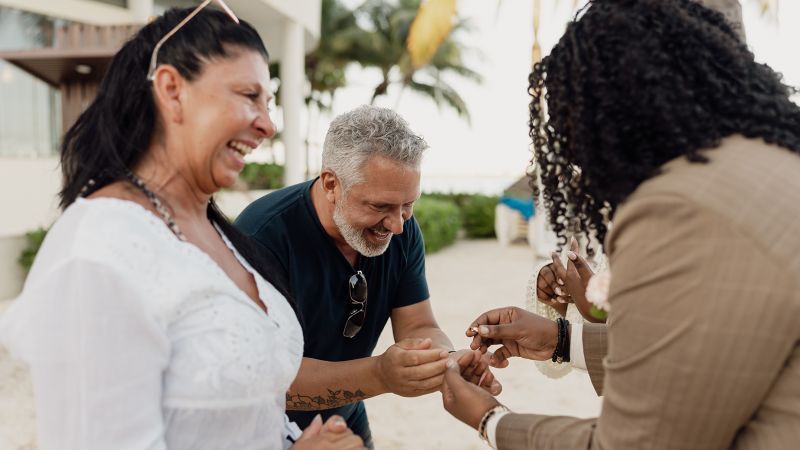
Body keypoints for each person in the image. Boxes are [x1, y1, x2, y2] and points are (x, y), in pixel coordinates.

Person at [0, 4, 364, 449]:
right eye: (249, 96)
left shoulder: (214, 233)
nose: (268, 125)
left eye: (268, 104)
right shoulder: (99, 254)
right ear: (172, 89)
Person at [440, 0, 800, 448]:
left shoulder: (684, 202)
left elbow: (640, 441)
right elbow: (717, 348)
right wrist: (561, 339)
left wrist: (489, 420)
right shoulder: (772, 160)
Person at [235, 104, 499, 447]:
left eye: (409, 205)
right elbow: (262, 378)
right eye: (380, 207)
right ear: (332, 184)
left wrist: (446, 362)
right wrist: (379, 375)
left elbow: (418, 324)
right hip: (261, 430)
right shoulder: (261, 238)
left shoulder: (402, 229)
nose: (398, 225)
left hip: (346, 414)